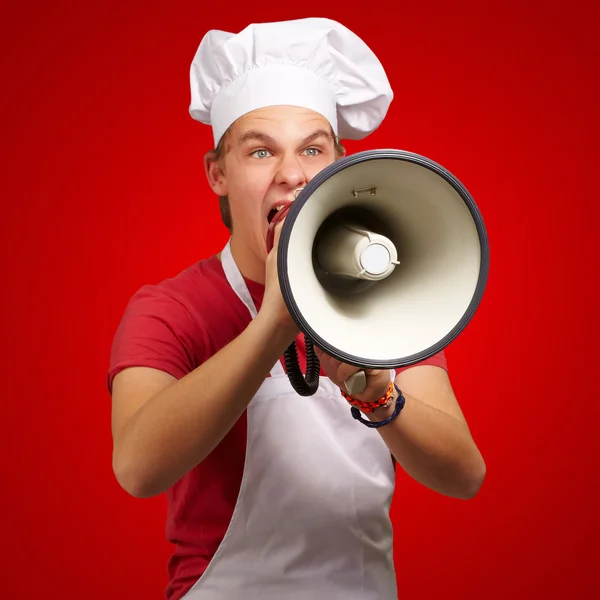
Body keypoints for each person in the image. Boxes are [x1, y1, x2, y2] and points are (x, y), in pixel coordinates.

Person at [107, 17, 486, 600]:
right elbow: (138, 468)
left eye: (312, 148)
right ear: (218, 174)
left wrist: (378, 396)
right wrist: (274, 324)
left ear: (339, 162)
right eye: (260, 151)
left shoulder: (393, 298)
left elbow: (464, 476)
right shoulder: (171, 309)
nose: (292, 174)